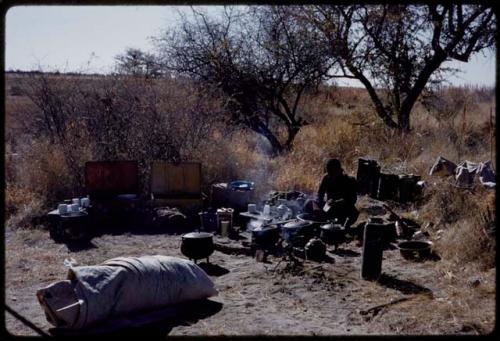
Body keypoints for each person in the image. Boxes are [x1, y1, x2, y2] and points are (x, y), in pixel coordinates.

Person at [305, 158, 359, 228]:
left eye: (332, 172)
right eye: (328, 172)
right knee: (308, 202)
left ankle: (342, 226)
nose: (330, 175)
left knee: (353, 213)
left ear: (338, 170)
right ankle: (322, 220)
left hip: (342, 208)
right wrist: (316, 203)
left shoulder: (349, 180)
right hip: (328, 207)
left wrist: (336, 202)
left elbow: (352, 200)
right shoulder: (326, 178)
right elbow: (320, 194)